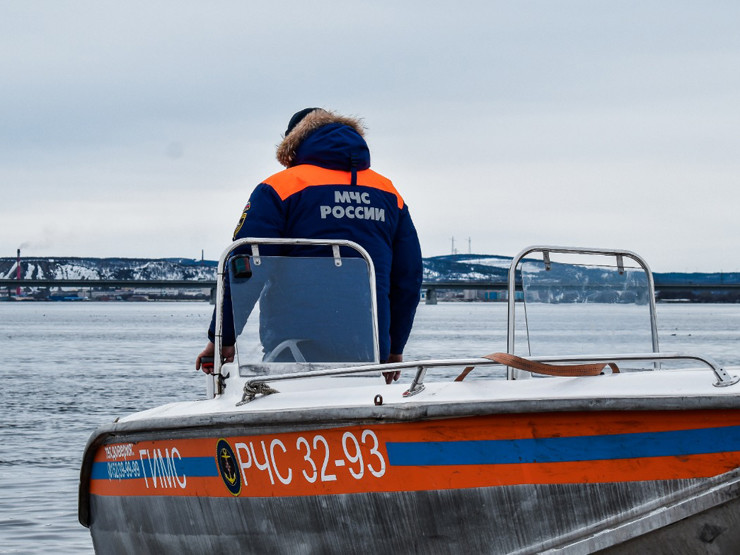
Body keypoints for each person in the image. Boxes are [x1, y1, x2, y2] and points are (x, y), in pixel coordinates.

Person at [196, 108, 423, 382]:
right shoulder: (388, 193)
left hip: (293, 353)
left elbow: (246, 268)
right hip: (370, 354)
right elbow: (408, 278)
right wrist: (395, 348)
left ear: (292, 144)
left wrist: (221, 339)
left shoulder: (279, 188)